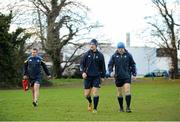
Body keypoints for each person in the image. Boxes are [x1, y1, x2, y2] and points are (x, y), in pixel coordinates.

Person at [108, 42, 136, 113]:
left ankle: (128, 107)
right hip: (118, 77)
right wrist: (111, 72)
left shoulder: (129, 55)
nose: (120, 50)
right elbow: (110, 65)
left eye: (121, 48)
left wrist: (134, 74)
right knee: (119, 93)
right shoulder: (114, 56)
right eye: (119, 48)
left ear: (124, 48)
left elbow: (133, 64)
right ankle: (121, 108)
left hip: (126, 76)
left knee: (127, 90)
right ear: (117, 48)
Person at [80, 39, 106, 113]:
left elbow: (103, 67)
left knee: (95, 93)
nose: (91, 45)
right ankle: (90, 102)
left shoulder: (100, 55)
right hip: (87, 77)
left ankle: (95, 109)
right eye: (90, 44)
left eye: (93, 44)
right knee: (86, 95)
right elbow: (81, 65)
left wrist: (103, 76)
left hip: (96, 77)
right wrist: (83, 72)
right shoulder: (86, 54)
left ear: (96, 45)